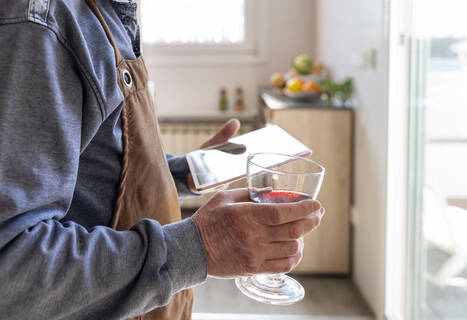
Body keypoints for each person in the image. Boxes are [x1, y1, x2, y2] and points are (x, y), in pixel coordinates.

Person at [0, 1, 325, 319]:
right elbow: (12, 273)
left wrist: (183, 172)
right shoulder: (43, 21)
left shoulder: (108, 12)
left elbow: (89, 169)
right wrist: (201, 247)